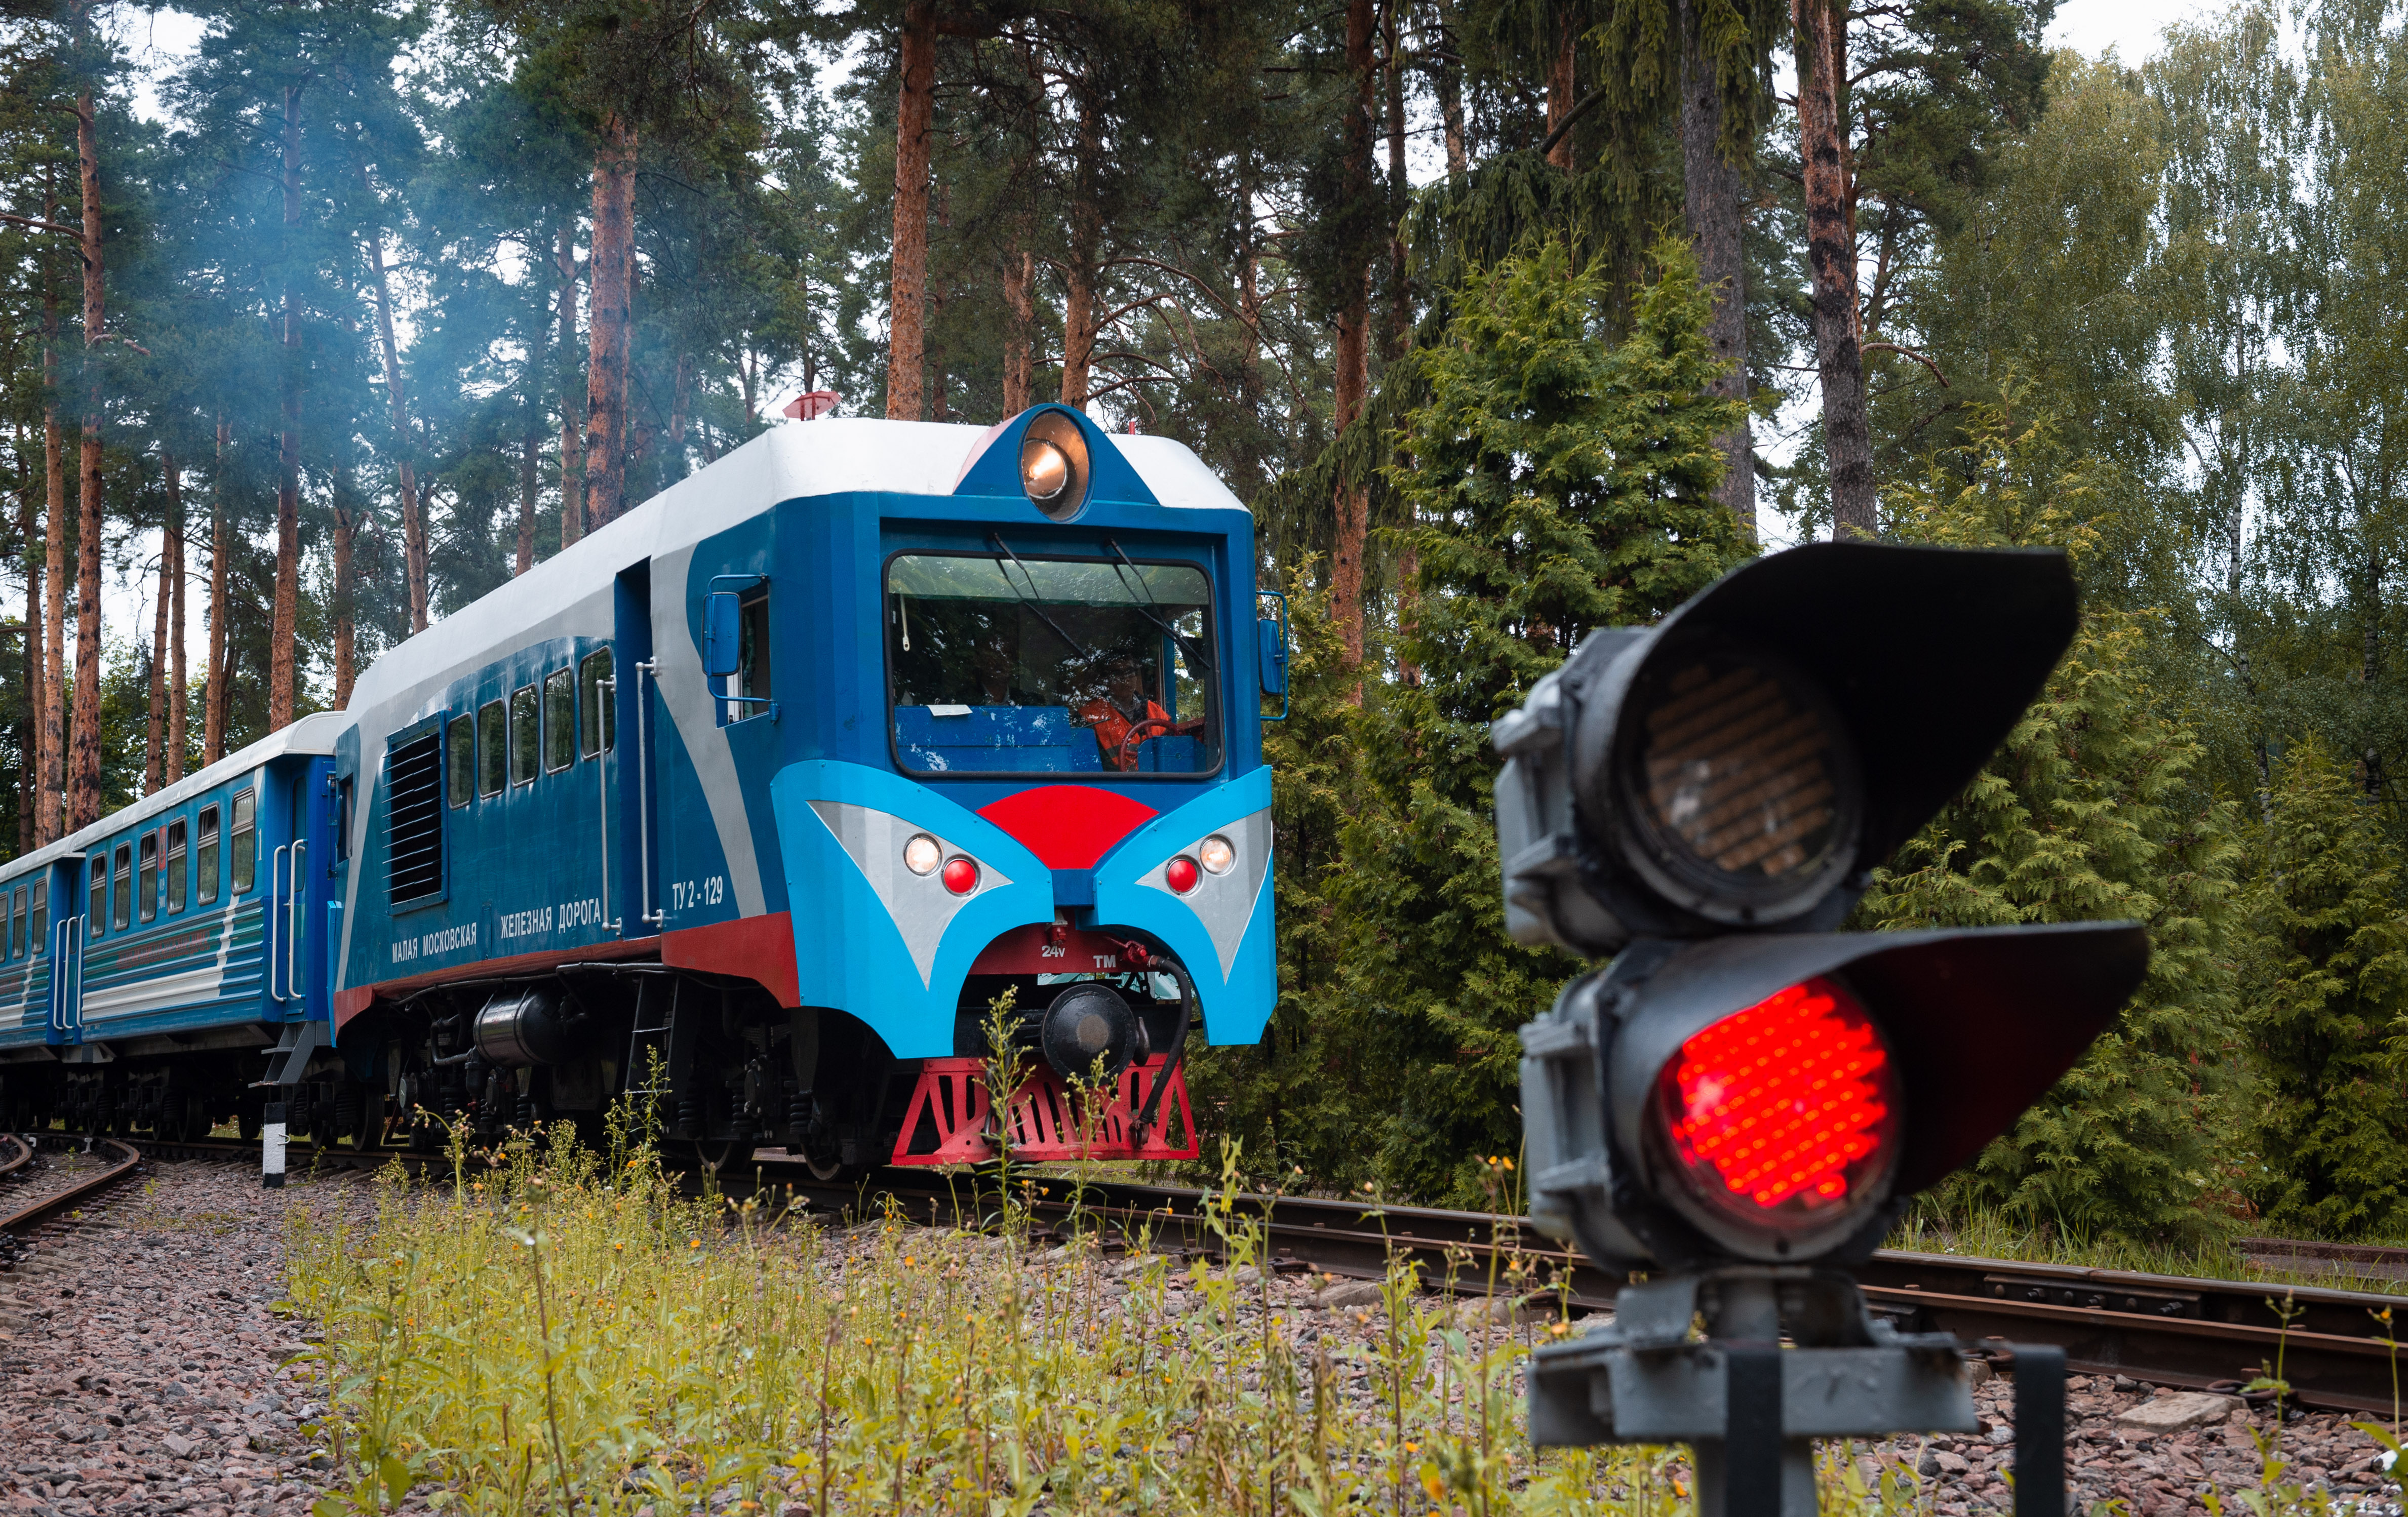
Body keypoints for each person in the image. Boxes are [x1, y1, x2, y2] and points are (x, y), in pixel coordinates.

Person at [1076, 654, 1167, 771]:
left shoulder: (1156, 711)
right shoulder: (1089, 714)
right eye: (1117, 674)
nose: (1125, 679)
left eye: (1130, 672)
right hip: (1113, 785)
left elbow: (1172, 748)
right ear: (1106, 680)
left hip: (1158, 782)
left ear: (1136, 677)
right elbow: (1087, 762)